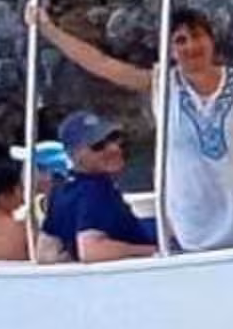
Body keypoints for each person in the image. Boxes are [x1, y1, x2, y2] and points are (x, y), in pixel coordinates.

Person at [27, 4, 233, 251]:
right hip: (197, 225)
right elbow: (101, 64)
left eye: (197, 36)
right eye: (180, 40)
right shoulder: (165, 86)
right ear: (171, 51)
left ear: (211, 41)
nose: (190, 46)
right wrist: (48, 29)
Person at [38, 110, 156, 263]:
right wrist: (152, 250)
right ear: (76, 154)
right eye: (98, 145)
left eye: (114, 138)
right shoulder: (95, 191)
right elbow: (91, 250)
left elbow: (46, 251)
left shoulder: (62, 190)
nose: (114, 148)